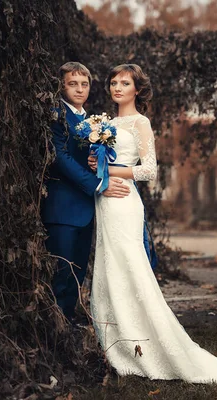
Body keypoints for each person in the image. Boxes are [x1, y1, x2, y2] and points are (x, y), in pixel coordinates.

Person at [87, 64, 217, 383]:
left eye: (125, 83)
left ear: (137, 89)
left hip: (124, 202)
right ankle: (115, 343)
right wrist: (95, 162)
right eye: (113, 82)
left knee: (131, 266)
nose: (117, 87)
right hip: (104, 201)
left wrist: (112, 171)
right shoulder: (104, 123)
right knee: (108, 268)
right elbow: (99, 162)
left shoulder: (141, 122)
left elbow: (148, 170)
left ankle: (149, 344)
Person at [41, 62, 130, 324]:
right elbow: (60, 157)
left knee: (77, 273)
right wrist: (98, 185)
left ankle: (68, 323)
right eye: (72, 84)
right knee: (61, 273)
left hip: (88, 210)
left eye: (84, 84)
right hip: (63, 209)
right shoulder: (57, 115)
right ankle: (55, 329)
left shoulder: (91, 120)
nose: (79, 89)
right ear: (62, 86)